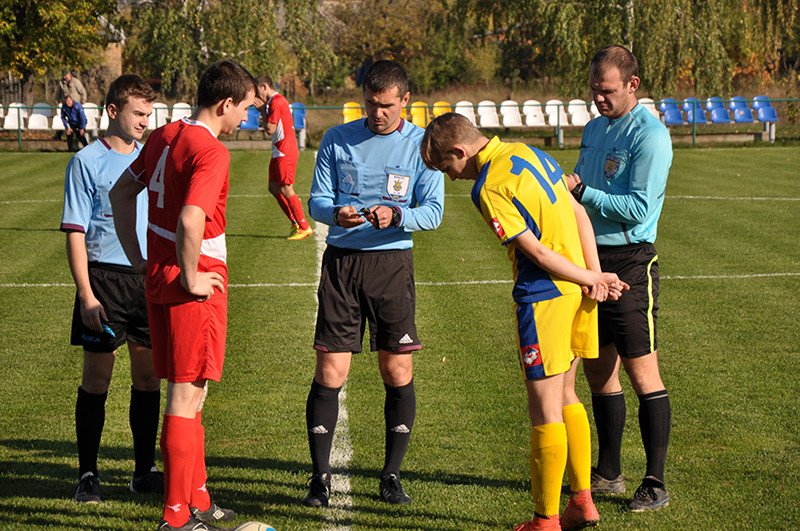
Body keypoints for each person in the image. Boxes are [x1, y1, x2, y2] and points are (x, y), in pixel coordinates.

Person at [420, 112, 628, 531]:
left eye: (447, 167)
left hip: (544, 297)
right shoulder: (531, 153)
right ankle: (583, 502)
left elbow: (536, 254)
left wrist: (592, 277)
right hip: (576, 292)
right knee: (568, 395)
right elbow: (579, 215)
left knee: (544, 410)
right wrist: (594, 274)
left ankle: (544, 521)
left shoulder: (490, 187)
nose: (451, 177)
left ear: (460, 151)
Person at [109, 59, 257, 531]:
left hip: (157, 277)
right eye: (245, 110)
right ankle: (176, 518)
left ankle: (198, 499)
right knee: (185, 395)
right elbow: (192, 219)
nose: (246, 120)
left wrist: (138, 257)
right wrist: (192, 276)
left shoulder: (164, 134)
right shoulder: (211, 150)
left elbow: (120, 193)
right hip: (194, 284)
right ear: (226, 102)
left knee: (192, 394)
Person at [302, 60, 444, 508]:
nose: (376, 113)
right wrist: (334, 213)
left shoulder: (423, 144)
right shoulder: (337, 138)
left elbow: (434, 211)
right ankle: (320, 478)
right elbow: (317, 200)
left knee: (397, 371)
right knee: (331, 371)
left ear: (405, 101)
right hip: (342, 265)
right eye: (370, 104)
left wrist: (398, 214)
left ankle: (391, 474)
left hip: (392, 267)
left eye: (386, 106)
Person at [564, 44, 673, 512]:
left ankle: (655, 481)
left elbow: (640, 208)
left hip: (629, 261)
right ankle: (608, 471)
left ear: (633, 85)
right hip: (589, 259)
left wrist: (583, 191)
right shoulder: (593, 127)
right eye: (593, 90)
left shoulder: (651, 135)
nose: (598, 99)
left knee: (640, 368)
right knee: (597, 367)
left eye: (606, 91)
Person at [61, 74, 161, 505]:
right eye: (138, 113)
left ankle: (143, 471)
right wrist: (86, 295)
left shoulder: (150, 158)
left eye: (148, 113)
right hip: (103, 281)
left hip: (146, 281)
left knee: (148, 378)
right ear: (113, 111)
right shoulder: (86, 161)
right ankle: (88, 474)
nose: (145, 121)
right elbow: (75, 231)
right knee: (97, 380)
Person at [254, 75, 312, 240]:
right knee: (273, 187)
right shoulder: (274, 101)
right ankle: (294, 222)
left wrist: (262, 112)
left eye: (258, 90)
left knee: (287, 188)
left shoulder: (275, 102)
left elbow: (270, 129)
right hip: (279, 151)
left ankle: (304, 227)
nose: (257, 96)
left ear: (264, 86)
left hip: (285, 151)